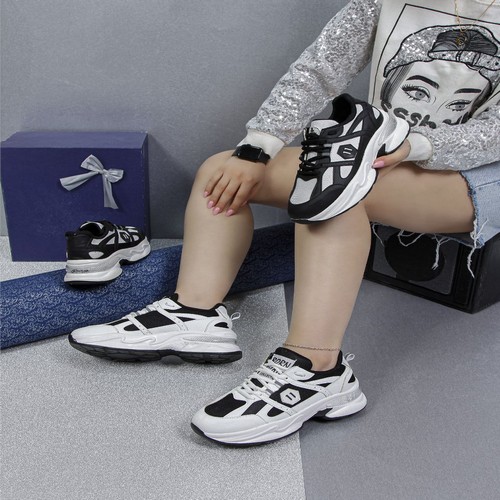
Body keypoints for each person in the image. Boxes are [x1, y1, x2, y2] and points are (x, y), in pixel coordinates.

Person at [69, 0, 500, 445]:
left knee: (333, 187)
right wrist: (257, 148)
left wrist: (415, 144)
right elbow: (319, 69)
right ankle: (194, 314)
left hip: (477, 174)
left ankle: (318, 369)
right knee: (223, 172)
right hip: (375, 153)